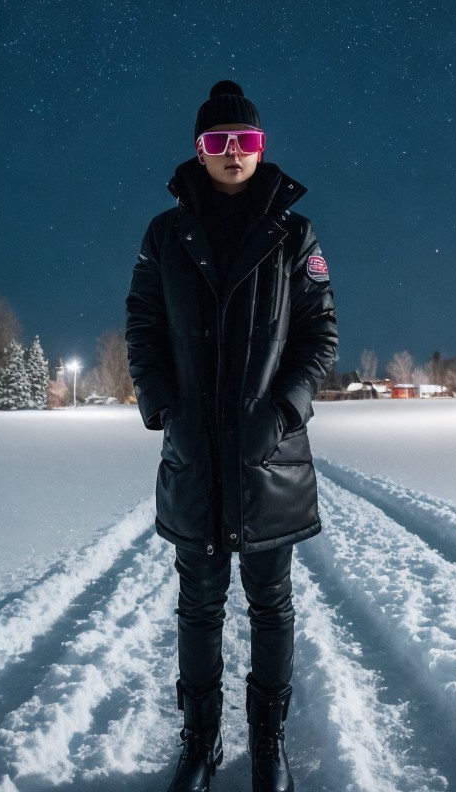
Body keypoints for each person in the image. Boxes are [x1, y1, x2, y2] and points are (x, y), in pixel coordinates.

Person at [125, 80, 338, 792]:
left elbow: (320, 335)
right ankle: (200, 740)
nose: (233, 154)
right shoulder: (164, 234)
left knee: (271, 602)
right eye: (218, 142)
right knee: (199, 603)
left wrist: (283, 412)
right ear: (198, 149)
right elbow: (143, 328)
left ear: (261, 147)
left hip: (266, 456)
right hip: (196, 457)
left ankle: (268, 740)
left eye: (245, 141)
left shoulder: (294, 234)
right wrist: (163, 408)